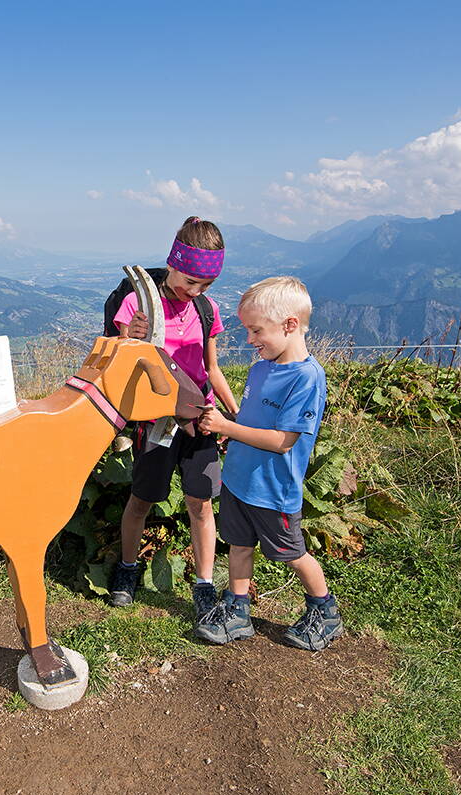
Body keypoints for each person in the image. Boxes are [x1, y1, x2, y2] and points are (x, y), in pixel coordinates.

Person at [195, 276, 342, 650]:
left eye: (256, 329)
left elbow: (282, 441)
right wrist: (235, 430)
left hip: (273, 491)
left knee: (292, 553)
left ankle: (325, 611)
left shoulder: (307, 379)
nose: (249, 340)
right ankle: (238, 609)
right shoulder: (262, 367)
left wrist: (228, 425)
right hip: (239, 481)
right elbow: (253, 421)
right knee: (239, 546)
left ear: (289, 325)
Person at [108, 216, 239, 620]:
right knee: (142, 499)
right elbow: (117, 360)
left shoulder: (205, 309)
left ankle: (203, 583)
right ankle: (128, 569)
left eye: (205, 286)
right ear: (173, 262)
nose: (195, 291)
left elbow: (211, 368)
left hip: (199, 418)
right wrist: (128, 335)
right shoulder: (138, 304)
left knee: (201, 504)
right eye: (189, 281)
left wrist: (236, 418)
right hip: (156, 421)